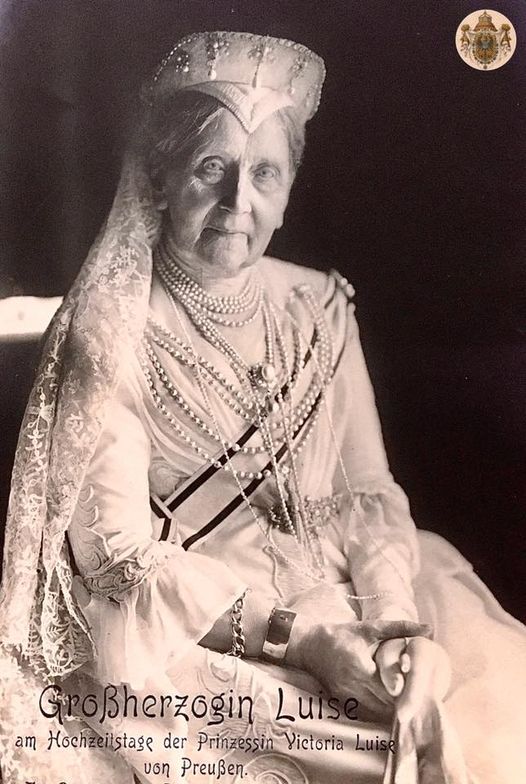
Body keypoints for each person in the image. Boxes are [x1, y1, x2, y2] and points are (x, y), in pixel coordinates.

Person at [0, 31, 525, 784]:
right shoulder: (108, 330)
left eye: (264, 174)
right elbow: (116, 557)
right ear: (160, 178)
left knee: (492, 723)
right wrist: (304, 642)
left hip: (358, 595)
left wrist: (393, 626)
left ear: (288, 188)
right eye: (210, 168)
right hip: (208, 634)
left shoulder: (317, 304)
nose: (238, 202)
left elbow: (366, 490)